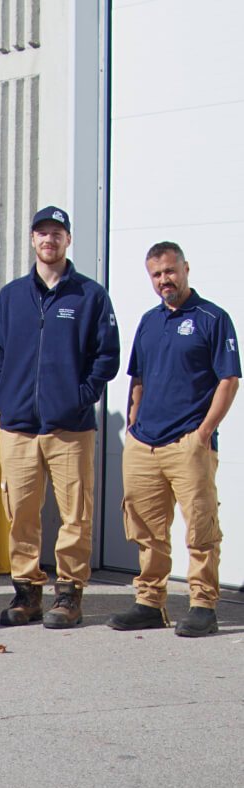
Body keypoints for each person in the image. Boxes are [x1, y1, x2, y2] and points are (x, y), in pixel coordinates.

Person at [0, 206, 120, 628]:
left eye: (57, 234)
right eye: (42, 233)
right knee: (21, 512)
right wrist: (6, 397)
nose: (49, 240)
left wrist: (81, 397)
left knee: (74, 513)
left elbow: (107, 356)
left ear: (67, 241)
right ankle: (27, 593)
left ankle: (69, 594)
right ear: (32, 239)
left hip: (70, 427)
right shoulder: (12, 296)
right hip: (19, 426)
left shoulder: (90, 295)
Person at [107, 242, 239, 637]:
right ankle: (149, 601)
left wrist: (203, 433)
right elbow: (139, 377)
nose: (164, 280)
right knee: (146, 527)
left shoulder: (212, 318)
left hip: (188, 443)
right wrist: (132, 421)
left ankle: (202, 604)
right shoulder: (148, 321)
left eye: (170, 271)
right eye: (156, 274)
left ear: (185, 268)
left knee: (200, 527)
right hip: (144, 444)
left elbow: (228, 380)